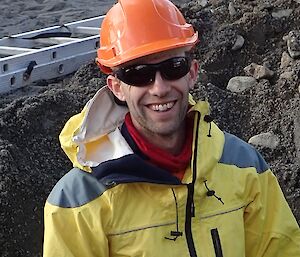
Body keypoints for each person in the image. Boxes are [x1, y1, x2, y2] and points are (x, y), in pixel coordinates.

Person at [43, 0, 300, 256]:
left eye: (173, 67)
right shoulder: (77, 201)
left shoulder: (245, 166)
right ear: (117, 87)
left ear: (192, 73)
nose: (159, 88)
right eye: (138, 73)